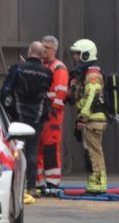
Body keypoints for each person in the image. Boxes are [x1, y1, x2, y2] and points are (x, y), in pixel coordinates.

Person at [0, 41, 53, 203]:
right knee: (33, 151)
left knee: (17, 151)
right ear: (42, 54)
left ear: (30, 51)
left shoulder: (18, 68)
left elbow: (6, 91)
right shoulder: (47, 72)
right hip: (37, 117)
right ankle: (31, 186)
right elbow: (44, 93)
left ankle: (18, 186)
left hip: (18, 116)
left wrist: (7, 111)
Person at [69, 38, 108, 195]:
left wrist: (83, 117)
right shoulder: (87, 73)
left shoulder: (92, 74)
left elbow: (91, 95)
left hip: (93, 119)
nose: (75, 57)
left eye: (78, 54)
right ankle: (94, 182)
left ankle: (99, 184)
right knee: (90, 152)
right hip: (92, 119)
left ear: (86, 55)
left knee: (94, 152)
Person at [35, 36, 69, 193]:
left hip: (52, 116)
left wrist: (52, 111)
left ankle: (53, 184)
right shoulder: (43, 66)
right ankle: (40, 184)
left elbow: (60, 93)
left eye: (47, 48)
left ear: (54, 50)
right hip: (43, 114)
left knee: (50, 150)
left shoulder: (58, 68)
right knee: (39, 150)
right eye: (43, 47)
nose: (44, 50)